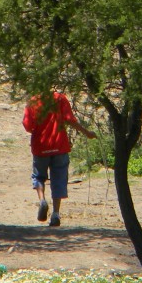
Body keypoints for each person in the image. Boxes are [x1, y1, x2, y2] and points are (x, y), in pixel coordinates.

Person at [23, 90, 95, 227]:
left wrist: (37, 130)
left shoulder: (33, 101)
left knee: (39, 176)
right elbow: (70, 119)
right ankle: (56, 213)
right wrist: (86, 133)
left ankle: (42, 200)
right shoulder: (60, 98)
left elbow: (27, 126)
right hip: (60, 146)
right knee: (59, 179)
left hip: (40, 146)